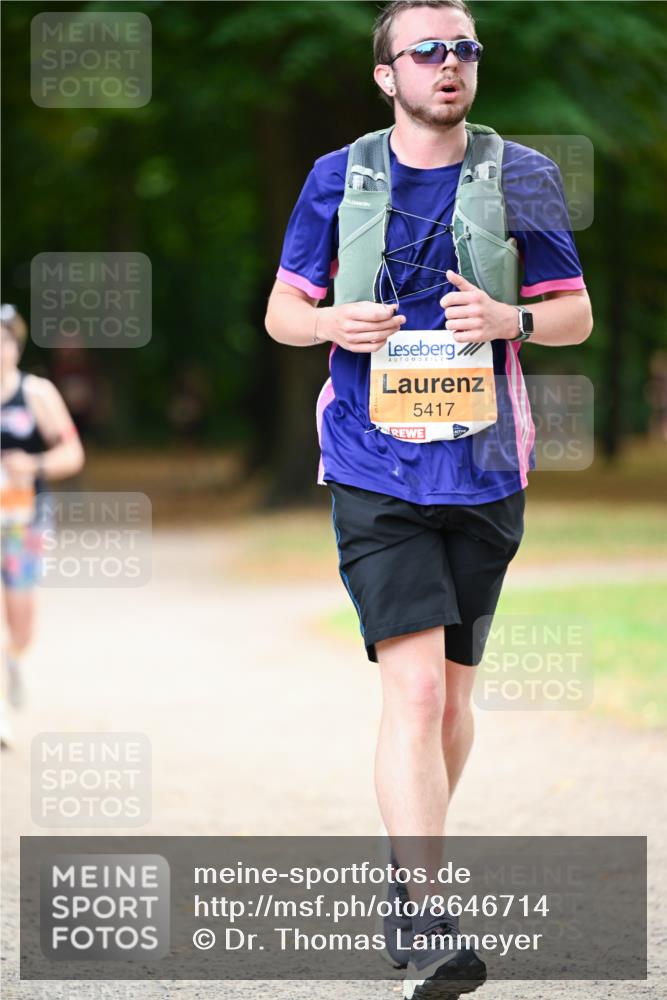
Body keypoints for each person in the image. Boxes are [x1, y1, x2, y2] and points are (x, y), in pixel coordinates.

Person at [265, 2, 592, 996]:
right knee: (409, 690)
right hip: (373, 464)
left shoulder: (522, 176)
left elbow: (573, 315)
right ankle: (426, 906)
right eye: (428, 52)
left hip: (485, 467)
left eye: (464, 51)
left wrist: (508, 319)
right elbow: (282, 314)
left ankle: (409, 878)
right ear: (385, 74)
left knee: (452, 698)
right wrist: (333, 320)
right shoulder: (338, 177)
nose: (450, 66)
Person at [0, 305, 85, 747]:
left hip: (23, 519)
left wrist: (30, 464)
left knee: (21, 621)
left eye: (4, 340)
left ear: (15, 346)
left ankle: (15, 658)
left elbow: (72, 454)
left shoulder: (36, 394)